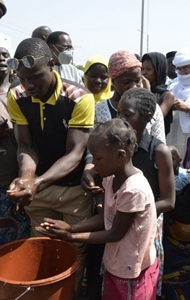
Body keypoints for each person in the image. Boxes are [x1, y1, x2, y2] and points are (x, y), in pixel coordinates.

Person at [6, 37, 95, 294]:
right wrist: (26, 178)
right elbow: (26, 146)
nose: (29, 85)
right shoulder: (16, 95)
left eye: (35, 76)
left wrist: (37, 182)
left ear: (52, 65)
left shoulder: (80, 98)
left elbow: (75, 153)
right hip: (39, 192)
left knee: (73, 254)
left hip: (73, 191)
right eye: (23, 78)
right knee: (42, 248)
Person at [36, 118, 159, 300]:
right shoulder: (110, 178)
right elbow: (106, 217)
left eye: (98, 158)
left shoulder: (133, 190)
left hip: (133, 271)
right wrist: (71, 227)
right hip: (117, 263)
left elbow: (115, 233)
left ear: (120, 155)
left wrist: (71, 237)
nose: (94, 164)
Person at [83, 87, 175, 298]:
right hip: (115, 218)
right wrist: (97, 190)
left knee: (137, 276)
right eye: (118, 113)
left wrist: (132, 211)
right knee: (111, 270)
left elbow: (169, 201)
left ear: (147, 118)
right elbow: (105, 184)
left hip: (142, 224)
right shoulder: (112, 149)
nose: (121, 119)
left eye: (127, 114)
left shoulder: (158, 151)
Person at [0, 44, 31, 252]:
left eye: (5, 55)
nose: (0, 58)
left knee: (28, 235)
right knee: (1, 236)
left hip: (24, 176)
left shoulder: (23, 93)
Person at [95, 50, 166, 144]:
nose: (133, 86)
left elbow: (159, 144)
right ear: (113, 81)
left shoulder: (153, 108)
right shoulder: (99, 109)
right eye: (126, 82)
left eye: (137, 81)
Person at [162, 145, 190, 299]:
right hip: (171, 239)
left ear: (179, 161)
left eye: (171, 158)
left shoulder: (185, 179)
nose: (167, 161)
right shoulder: (158, 177)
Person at [141, 52, 175, 135]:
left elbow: (156, 119)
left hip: (156, 142)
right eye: (142, 69)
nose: (144, 73)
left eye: (148, 69)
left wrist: (147, 93)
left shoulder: (167, 95)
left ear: (158, 70)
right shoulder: (139, 90)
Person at [166, 47, 190, 159]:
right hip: (176, 138)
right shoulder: (173, 88)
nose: (183, 73)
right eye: (179, 69)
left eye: (186, 68)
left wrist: (187, 108)